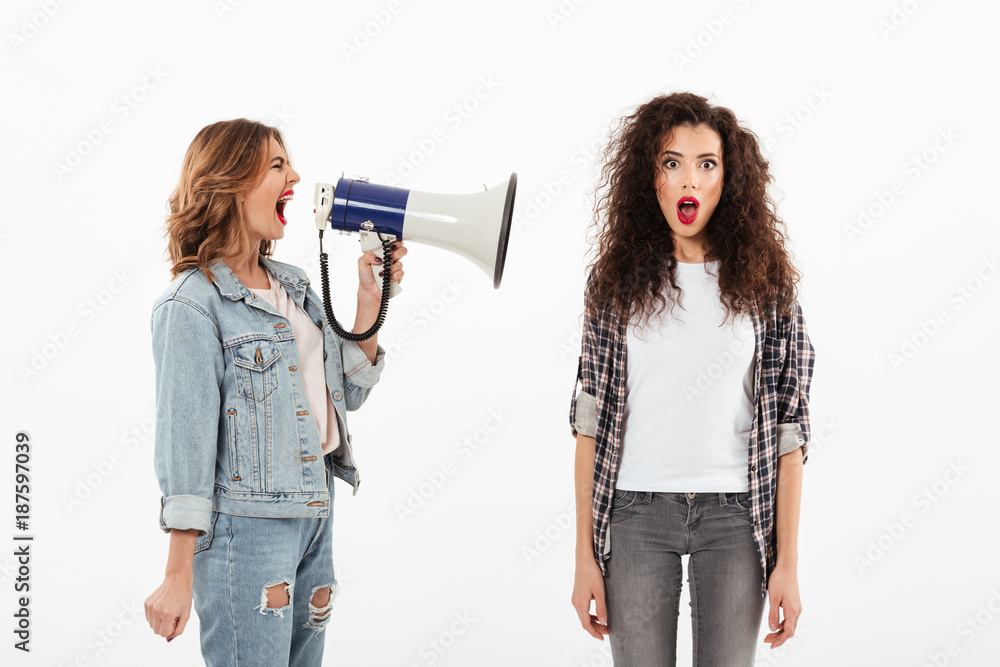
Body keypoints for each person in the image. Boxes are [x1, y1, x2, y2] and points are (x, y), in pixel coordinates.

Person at [142, 118, 406, 666]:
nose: (296, 176)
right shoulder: (192, 305)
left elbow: (345, 396)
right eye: (277, 165)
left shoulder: (294, 286)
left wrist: (369, 302)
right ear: (229, 183)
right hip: (247, 531)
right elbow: (184, 445)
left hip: (317, 514)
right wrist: (176, 574)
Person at [569, 92, 816, 666]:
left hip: (736, 517)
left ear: (728, 179)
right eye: (671, 161)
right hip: (634, 515)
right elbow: (588, 421)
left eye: (707, 163)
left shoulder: (767, 287)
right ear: (649, 177)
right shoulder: (614, 285)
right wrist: (584, 556)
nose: (690, 179)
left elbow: (790, 432)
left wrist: (788, 564)